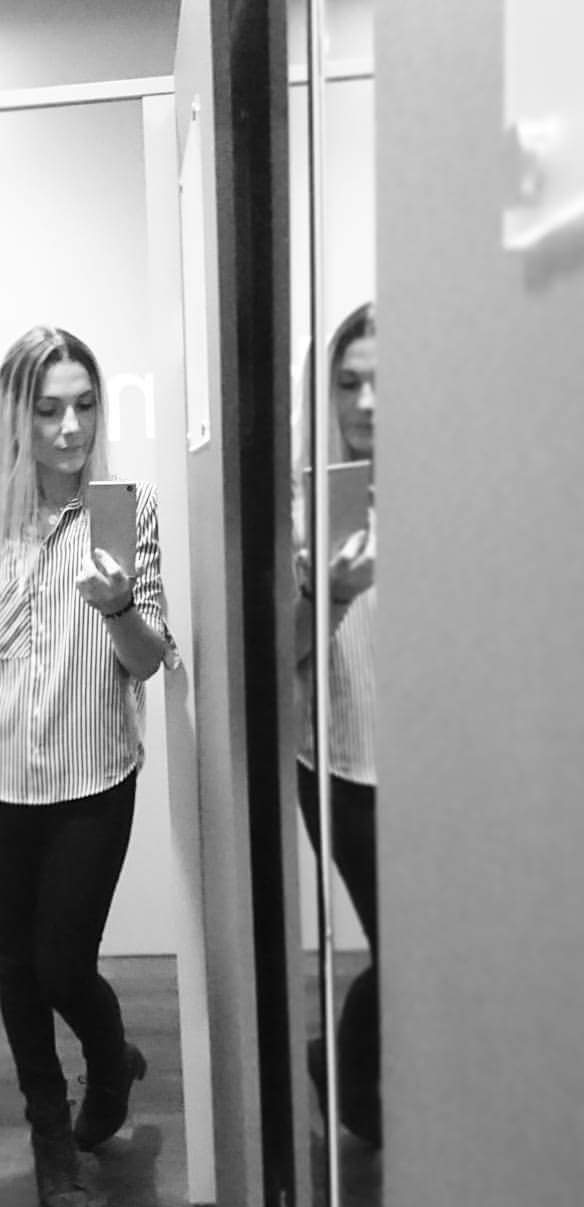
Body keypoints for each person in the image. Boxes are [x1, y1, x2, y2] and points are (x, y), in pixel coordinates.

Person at [0, 325, 174, 1207]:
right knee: (16, 960)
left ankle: (109, 1064)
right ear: (17, 418)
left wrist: (117, 608)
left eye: (85, 405)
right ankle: (49, 1132)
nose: (72, 427)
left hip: (93, 776)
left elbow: (148, 659)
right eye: (49, 410)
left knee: (63, 962)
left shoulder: (127, 513)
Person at [294, 302, 381, 1148]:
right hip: (342, 764)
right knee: (406, 944)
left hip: (444, 759)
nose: (366, 402)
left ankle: (343, 1062)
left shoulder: (458, 494)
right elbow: (280, 656)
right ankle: (350, 1075)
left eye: (384, 381)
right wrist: (331, 593)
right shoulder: (303, 508)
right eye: (350, 382)